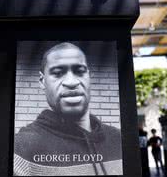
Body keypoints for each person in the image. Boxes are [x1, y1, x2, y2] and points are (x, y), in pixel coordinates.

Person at [14, 42, 122, 176]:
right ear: (42, 81)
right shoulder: (21, 149)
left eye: (80, 72)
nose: (71, 82)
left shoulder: (119, 139)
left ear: (89, 76)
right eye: (58, 73)